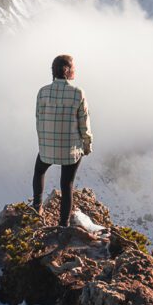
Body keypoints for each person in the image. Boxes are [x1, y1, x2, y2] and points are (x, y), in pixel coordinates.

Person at [32, 54, 93, 226]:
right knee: (67, 184)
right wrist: (87, 145)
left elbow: (38, 119)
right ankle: (63, 224)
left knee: (39, 172)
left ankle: (37, 207)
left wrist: (44, 144)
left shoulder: (42, 92)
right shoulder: (77, 93)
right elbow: (84, 124)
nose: (75, 70)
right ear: (67, 71)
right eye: (74, 67)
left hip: (47, 149)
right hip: (70, 151)